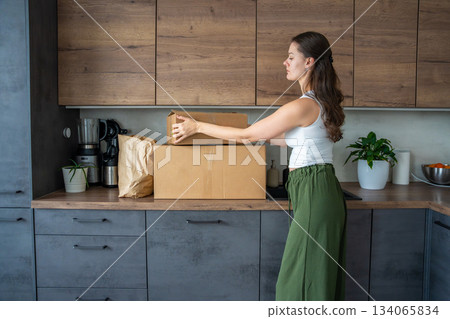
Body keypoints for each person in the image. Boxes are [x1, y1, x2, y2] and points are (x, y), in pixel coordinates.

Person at [172, 31, 347, 301]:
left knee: (298, 281)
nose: (285, 62)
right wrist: (239, 128)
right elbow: (274, 138)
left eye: (291, 57)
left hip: (314, 190)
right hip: (318, 189)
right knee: (315, 275)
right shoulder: (319, 102)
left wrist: (198, 126)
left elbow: (250, 135)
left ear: (309, 62)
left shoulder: (303, 105)